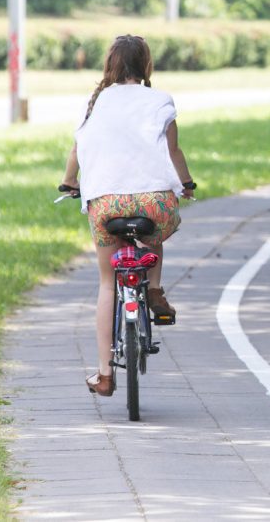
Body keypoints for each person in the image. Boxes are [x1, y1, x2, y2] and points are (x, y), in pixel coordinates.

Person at [60, 34, 196, 397]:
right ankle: (153, 289)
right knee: (152, 234)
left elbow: (78, 149)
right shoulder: (161, 100)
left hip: (105, 204)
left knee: (107, 283)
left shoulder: (96, 103)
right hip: (154, 202)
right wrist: (186, 183)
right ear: (146, 65)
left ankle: (104, 373)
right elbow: (173, 151)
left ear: (110, 65)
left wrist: (69, 181)